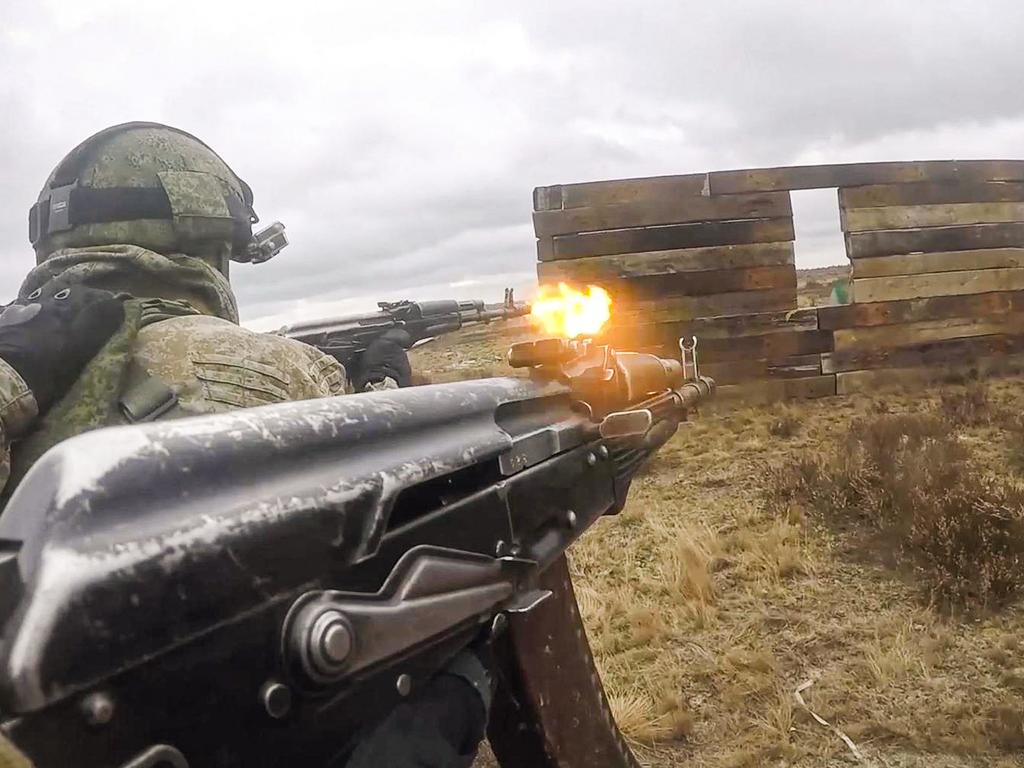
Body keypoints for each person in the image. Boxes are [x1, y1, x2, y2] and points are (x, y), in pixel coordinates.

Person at [0, 121, 485, 766]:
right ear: (209, 244)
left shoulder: (23, 364)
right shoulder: (283, 372)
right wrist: (385, 383)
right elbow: (403, 506)